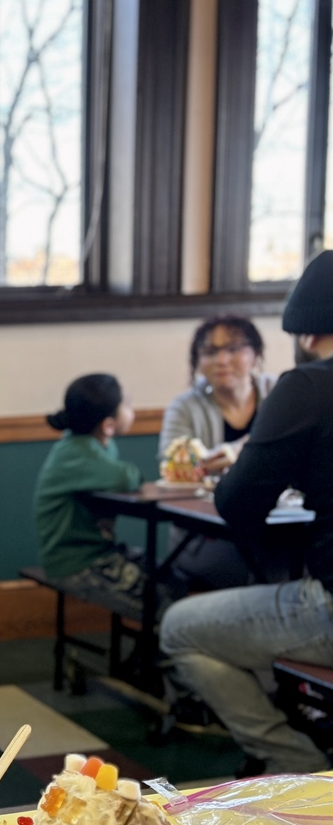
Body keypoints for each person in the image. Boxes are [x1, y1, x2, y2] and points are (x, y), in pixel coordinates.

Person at [159, 250, 333, 775]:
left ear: (301, 333)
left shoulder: (304, 387)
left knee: (179, 627)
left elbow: (237, 503)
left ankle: (302, 767)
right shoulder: (189, 405)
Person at [158, 315, 278, 590]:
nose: (221, 360)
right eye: (210, 351)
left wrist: (241, 449)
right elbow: (171, 466)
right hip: (205, 536)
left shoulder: (279, 392)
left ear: (255, 353)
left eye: (233, 348)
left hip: (276, 525)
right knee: (261, 572)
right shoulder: (184, 406)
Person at [33, 373, 150, 618]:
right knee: (157, 600)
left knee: (168, 578)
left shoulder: (88, 446)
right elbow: (126, 477)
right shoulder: (80, 453)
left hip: (96, 553)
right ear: (108, 424)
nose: (132, 409)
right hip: (76, 563)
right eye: (126, 405)